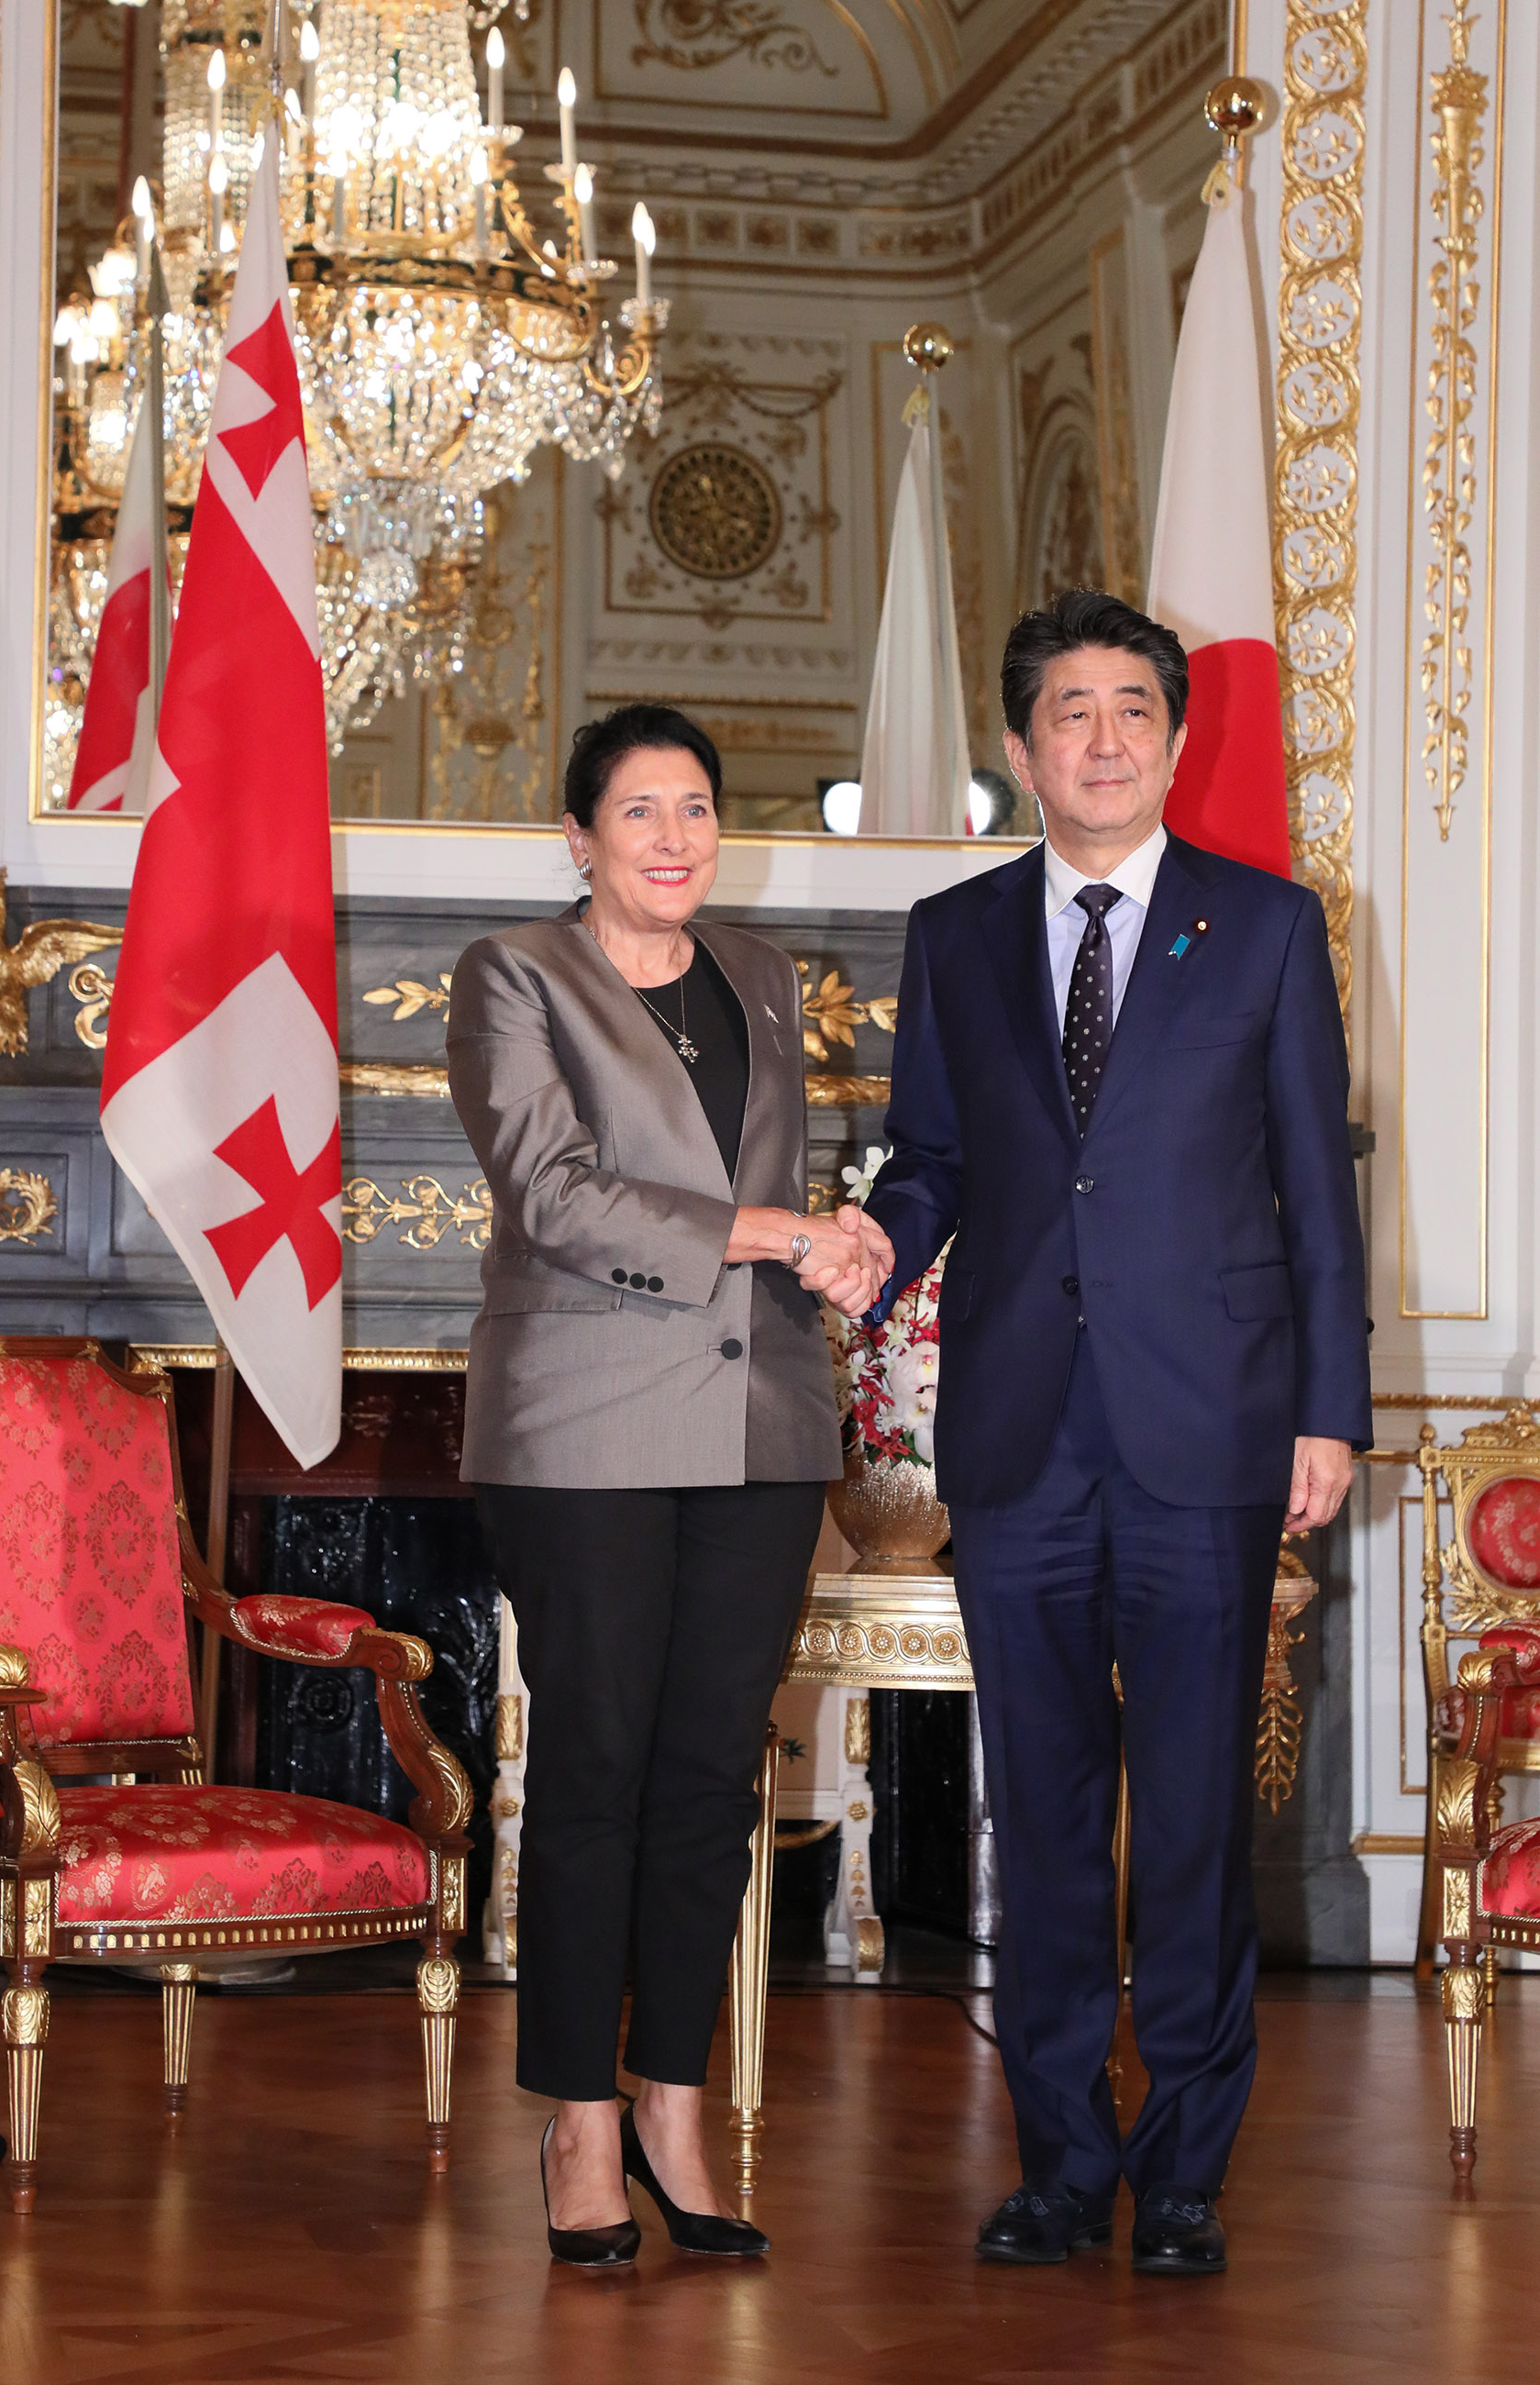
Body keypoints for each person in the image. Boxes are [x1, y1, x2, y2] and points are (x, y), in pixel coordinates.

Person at [856, 589, 1370, 2278]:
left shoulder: (1267, 925)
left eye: (1132, 709)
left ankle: (1187, 2174)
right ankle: (1064, 2165)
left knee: (1198, 1818)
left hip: (1210, 1429)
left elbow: (1315, 1187)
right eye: (1069, 712)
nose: (1102, 738)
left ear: (1172, 738)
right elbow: (932, 1160)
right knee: (1045, 1816)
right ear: (1021, 749)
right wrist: (871, 1248)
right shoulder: (953, 934)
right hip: (1018, 1435)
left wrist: (1327, 1410)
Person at [446, 703, 892, 2269]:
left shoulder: (759, 974)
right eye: (638, 809)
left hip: (760, 1422)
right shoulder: (514, 973)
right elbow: (552, 1191)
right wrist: (777, 1232)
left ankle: (672, 2108)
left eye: (693, 806)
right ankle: (577, 2119)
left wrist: (841, 1236)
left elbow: (762, 1179)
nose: (672, 835)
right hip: (580, 1426)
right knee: (595, 1769)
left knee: (714, 1779)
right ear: (578, 838)